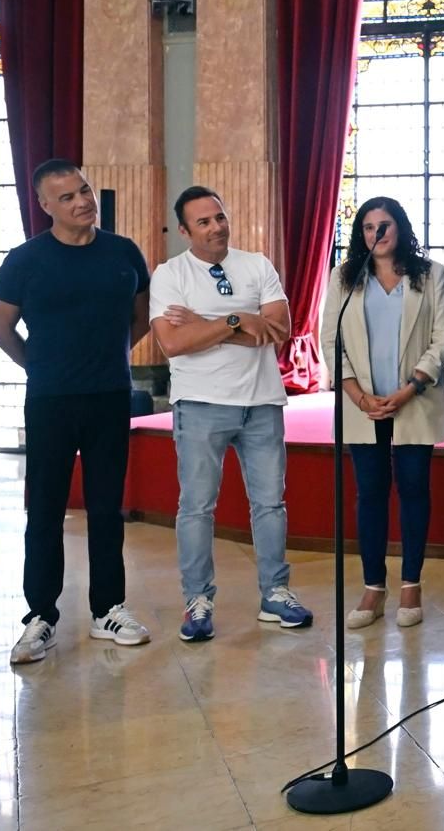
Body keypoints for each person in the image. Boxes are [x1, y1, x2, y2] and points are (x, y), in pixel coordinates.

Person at [0, 160, 153, 664]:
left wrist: (109, 359)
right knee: (45, 509)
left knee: (107, 508)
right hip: (50, 400)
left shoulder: (123, 252)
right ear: (45, 206)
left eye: (84, 190)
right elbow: (0, 328)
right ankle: (41, 616)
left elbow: (140, 318)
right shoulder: (25, 261)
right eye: (67, 197)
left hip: (109, 396)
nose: (82, 201)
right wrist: (39, 366)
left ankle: (108, 609)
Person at [150, 186, 313, 642]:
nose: (216, 227)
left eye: (219, 217)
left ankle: (276, 593)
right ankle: (197, 601)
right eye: (203, 222)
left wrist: (205, 325)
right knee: (197, 507)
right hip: (200, 404)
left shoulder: (257, 265)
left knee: (270, 503)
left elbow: (279, 330)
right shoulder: (170, 275)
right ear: (185, 231)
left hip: (261, 402)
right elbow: (173, 343)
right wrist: (238, 320)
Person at [319, 197, 444, 630]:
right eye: (368, 227)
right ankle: (373, 587)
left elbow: (443, 338)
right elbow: (330, 339)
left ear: (400, 229)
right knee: (370, 492)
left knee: (413, 489)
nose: (376, 233)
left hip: (414, 400)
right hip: (364, 405)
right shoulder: (345, 277)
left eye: (384, 225)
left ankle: (411, 583)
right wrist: (357, 396)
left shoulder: (430, 274)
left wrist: (411, 387)